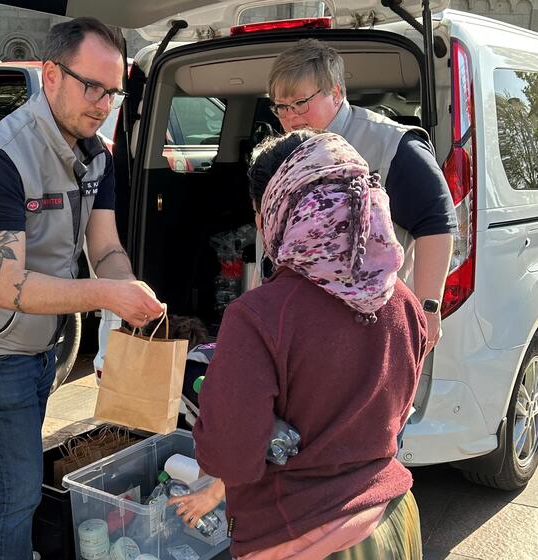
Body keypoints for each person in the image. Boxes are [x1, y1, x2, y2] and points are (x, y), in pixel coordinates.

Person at [0, 17, 165, 560]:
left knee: (2, 456)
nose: (102, 103)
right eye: (92, 86)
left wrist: (128, 287)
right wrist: (108, 297)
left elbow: (105, 248)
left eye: (113, 91)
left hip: (43, 341)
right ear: (50, 75)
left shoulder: (98, 154)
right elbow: (9, 287)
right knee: (17, 490)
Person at [188, 130, 427, 559]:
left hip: (305, 539)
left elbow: (231, 459)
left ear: (277, 214)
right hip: (392, 518)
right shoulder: (404, 302)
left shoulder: (258, 316)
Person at [268, 40, 456, 354]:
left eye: (300, 103)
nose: (289, 117)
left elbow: (436, 223)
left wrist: (428, 309)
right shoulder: (288, 148)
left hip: (374, 325)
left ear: (337, 92)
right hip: (302, 323)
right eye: (281, 107)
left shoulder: (393, 145)